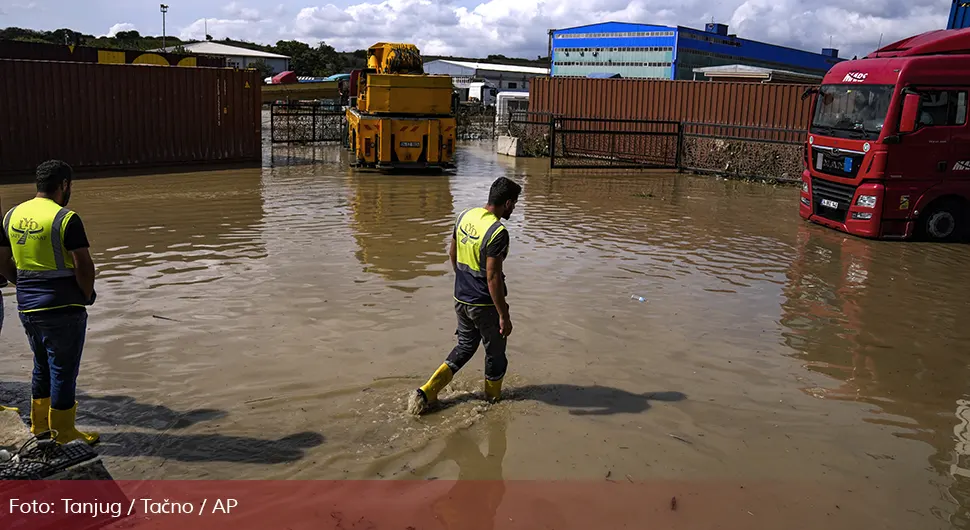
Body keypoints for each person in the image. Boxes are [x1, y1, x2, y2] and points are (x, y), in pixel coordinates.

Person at [0, 160, 99, 445]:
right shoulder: (66, 218)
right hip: (63, 307)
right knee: (64, 370)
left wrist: (25, 285)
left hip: (27, 307)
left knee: (41, 365)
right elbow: (84, 264)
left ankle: (39, 427)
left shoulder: (11, 215)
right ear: (64, 185)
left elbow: (1, 261)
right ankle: (64, 431)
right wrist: (86, 295)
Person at [408, 177, 521, 415]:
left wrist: (463, 283)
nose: (515, 208)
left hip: (461, 298)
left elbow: (452, 252)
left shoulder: (464, 216)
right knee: (496, 354)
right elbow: (492, 277)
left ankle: (426, 392)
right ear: (508, 203)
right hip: (485, 304)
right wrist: (503, 314)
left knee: (465, 346)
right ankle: (492, 403)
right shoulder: (497, 232)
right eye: (516, 204)